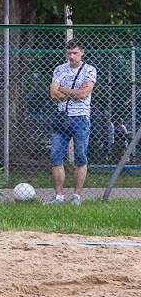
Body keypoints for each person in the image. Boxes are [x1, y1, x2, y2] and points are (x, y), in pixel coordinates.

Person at [46, 39, 96, 206]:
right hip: (61, 116)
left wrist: (63, 90)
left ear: (82, 52)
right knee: (55, 157)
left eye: (75, 53)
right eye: (69, 53)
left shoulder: (89, 70)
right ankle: (59, 196)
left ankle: (76, 196)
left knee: (80, 157)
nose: (72, 57)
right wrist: (73, 92)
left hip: (80, 117)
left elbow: (84, 95)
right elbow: (53, 93)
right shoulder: (60, 69)